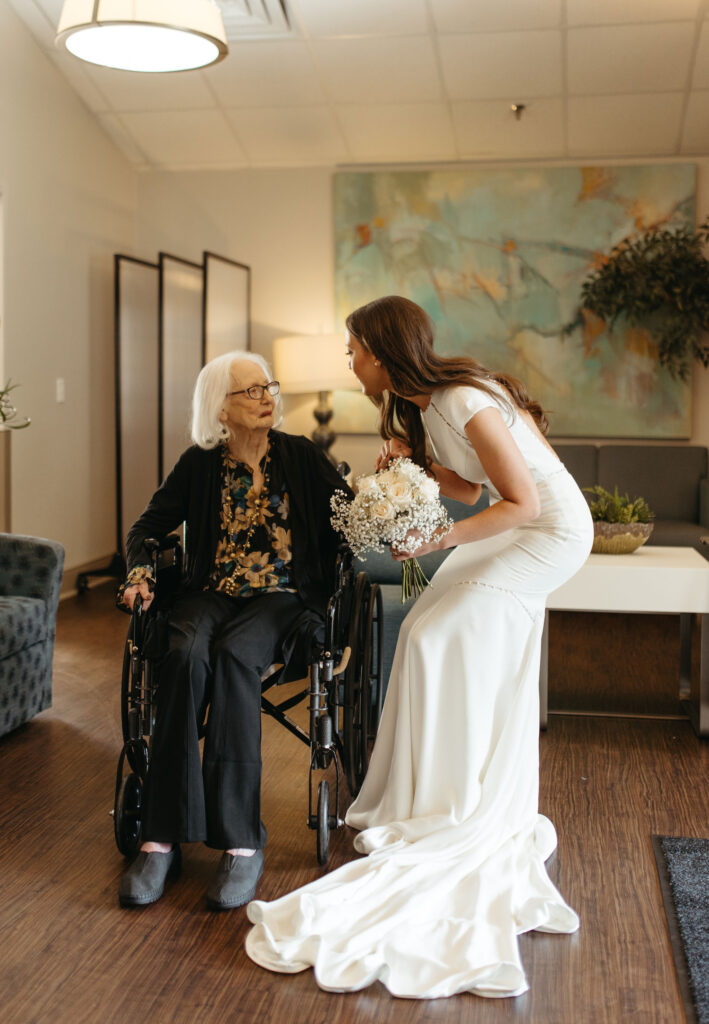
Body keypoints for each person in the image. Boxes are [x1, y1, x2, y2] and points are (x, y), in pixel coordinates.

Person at [245, 296, 594, 998]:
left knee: (438, 633)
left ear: (381, 349)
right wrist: (416, 470)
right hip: (519, 529)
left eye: (353, 349)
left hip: (551, 536)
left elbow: (523, 503)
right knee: (423, 621)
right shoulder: (426, 406)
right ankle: (422, 790)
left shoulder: (463, 396)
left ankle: (453, 802)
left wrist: (433, 539)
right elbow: (472, 487)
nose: (349, 362)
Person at [117, 350, 350, 911]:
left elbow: (347, 520)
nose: (265, 396)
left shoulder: (301, 457)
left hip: (282, 598)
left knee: (234, 657)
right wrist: (141, 573)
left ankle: (242, 843)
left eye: (267, 386)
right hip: (210, 593)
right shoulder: (198, 466)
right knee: (183, 652)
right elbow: (146, 528)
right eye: (250, 390)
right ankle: (160, 837)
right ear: (219, 408)